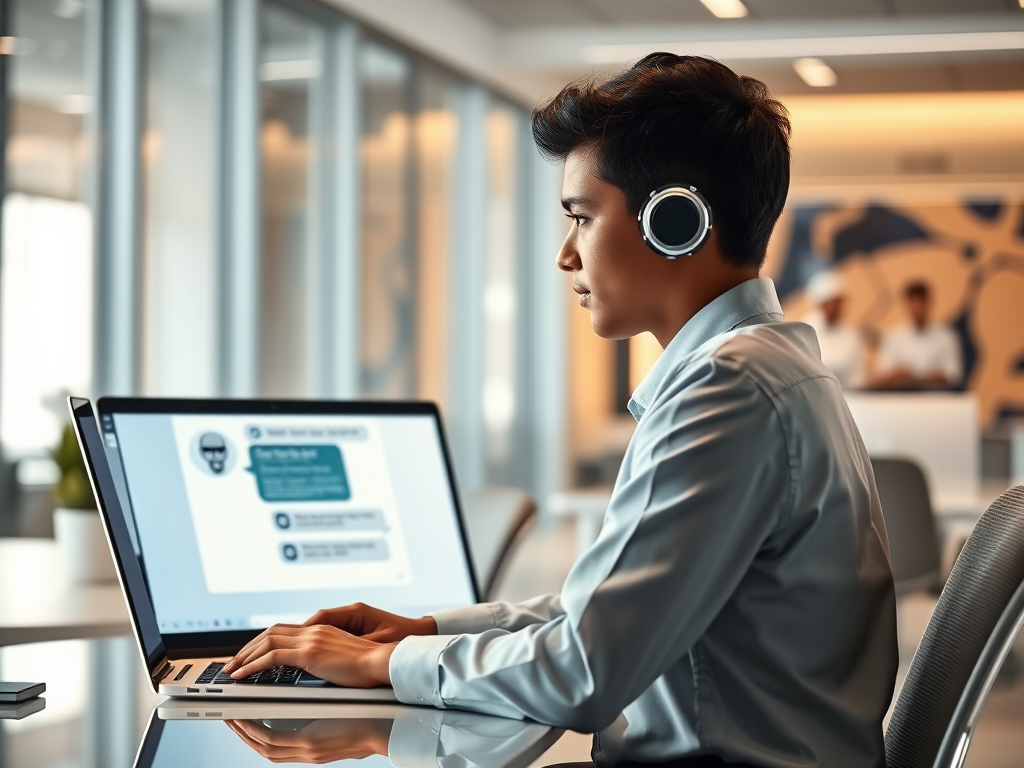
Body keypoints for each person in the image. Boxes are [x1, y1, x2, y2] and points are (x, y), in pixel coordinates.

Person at [223, 54, 897, 768]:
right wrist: (417, 633)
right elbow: (607, 616)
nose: (564, 255)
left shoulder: (728, 389)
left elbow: (586, 670)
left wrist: (380, 667)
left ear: (675, 221)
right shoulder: (772, 369)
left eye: (581, 217)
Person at [875, 280, 962, 389]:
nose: (917, 308)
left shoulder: (946, 337)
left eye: (921, 302)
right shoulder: (892, 336)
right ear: (906, 304)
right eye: (913, 303)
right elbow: (882, 376)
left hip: (936, 401)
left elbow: (953, 375)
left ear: (928, 303)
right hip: (900, 401)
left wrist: (917, 380)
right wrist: (898, 374)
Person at [802, 271, 866, 389]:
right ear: (821, 303)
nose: (839, 308)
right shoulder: (803, 331)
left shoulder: (851, 335)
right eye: (834, 302)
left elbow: (857, 378)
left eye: (840, 302)